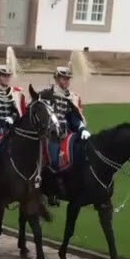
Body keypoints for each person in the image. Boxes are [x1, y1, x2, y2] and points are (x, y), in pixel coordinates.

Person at [45, 65, 90, 205]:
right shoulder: (47, 94)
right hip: (50, 134)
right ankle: (51, 190)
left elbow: (74, 117)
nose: (66, 81)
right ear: (57, 79)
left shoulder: (71, 97)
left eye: (68, 79)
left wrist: (82, 128)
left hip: (67, 133)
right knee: (53, 160)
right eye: (63, 79)